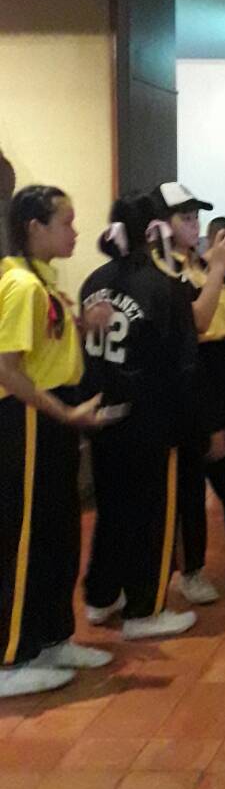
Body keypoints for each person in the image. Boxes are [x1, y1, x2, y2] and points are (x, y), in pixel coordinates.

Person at [0, 186, 117, 696]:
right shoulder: (22, 285)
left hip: (51, 414)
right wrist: (64, 412)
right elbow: (7, 369)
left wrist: (83, 325)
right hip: (27, 417)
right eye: (65, 222)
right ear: (34, 227)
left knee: (57, 531)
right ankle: (10, 657)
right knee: (26, 535)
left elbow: (44, 343)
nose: (74, 231)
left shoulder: (42, 282)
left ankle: (51, 637)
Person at [80, 193, 199, 640]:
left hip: (101, 413)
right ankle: (145, 610)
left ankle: (101, 596)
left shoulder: (93, 280)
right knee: (150, 514)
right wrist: (193, 424)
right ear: (155, 230)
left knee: (111, 509)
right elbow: (182, 362)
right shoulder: (163, 285)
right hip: (150, 418)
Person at [151, 184, 225, 601]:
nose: (194, 225)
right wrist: (219, 267)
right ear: (161, 224)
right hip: (195, 375)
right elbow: (197, 322)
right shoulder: (163, 271)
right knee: (192, 479)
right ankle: (191, 570)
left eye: (195, 217)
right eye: (184, 218)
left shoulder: (204, 264)